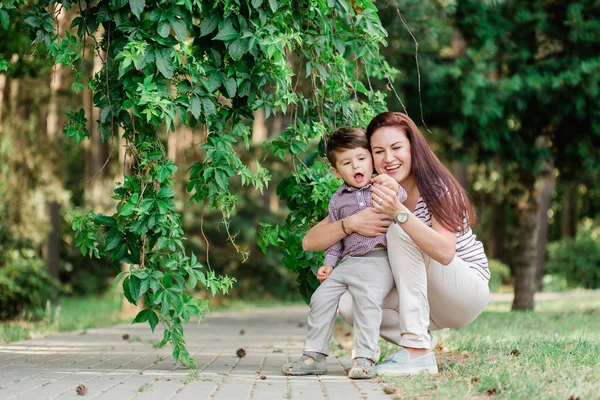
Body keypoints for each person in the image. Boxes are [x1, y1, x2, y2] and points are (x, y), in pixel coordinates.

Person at [302, 112, 490, 376]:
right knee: (348, 303)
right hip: (428, 301)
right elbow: (310, 241)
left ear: (413, 148)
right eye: (378, 151)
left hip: (464, 290)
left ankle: (416, 351)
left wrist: (399, 212)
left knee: (400, 229)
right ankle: (422, 342)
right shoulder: (369, 196)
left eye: (397, 147)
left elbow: (445, 254)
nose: (388, 158)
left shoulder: (437, 187)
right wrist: (352, 223)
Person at [282, 127, 407, 379]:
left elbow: (400, 200)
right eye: (347, 163)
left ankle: (365, 358)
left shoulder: (380, 187)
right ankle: (314, 355)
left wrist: (393, 185)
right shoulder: (337, 201)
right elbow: (336, 240)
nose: (356, 166)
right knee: (320, 299)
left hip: (377, 261)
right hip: (347, 263)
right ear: (336, 171)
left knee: (366, 301)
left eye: (361, 159)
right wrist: (329, 263)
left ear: (372, 160)